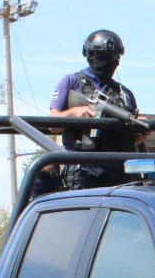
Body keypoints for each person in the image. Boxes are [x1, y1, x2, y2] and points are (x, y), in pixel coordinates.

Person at [43, 29, 141, 193]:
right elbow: (53, 123)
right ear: (90, 55)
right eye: (102, 56)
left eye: (113, 56)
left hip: (120, 170)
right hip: (83, 169)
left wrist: (139, 131)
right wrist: (74, 113)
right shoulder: (72, 81)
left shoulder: (124, 93)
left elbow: (134, 140)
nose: (109, 61)